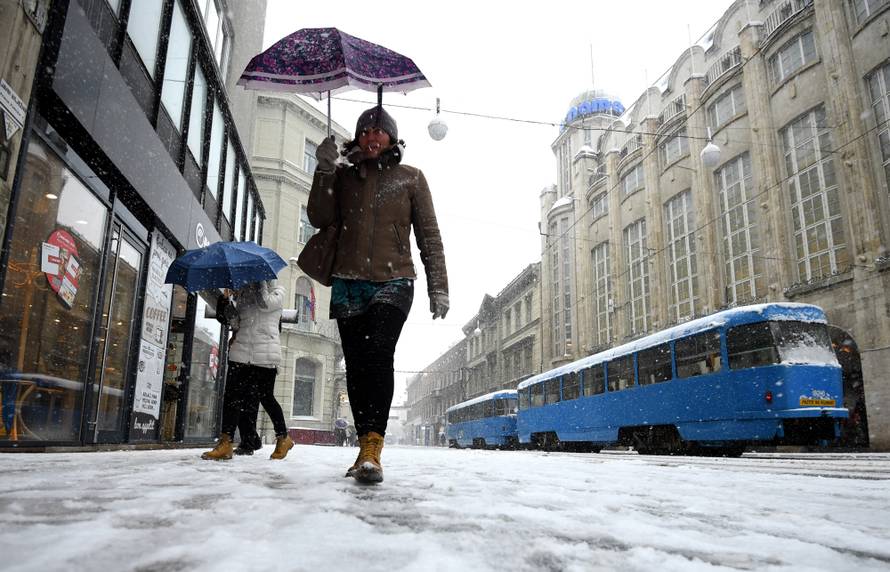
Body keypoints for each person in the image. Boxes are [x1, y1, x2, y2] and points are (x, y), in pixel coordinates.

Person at [309, 105, 449, 483]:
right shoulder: (342, 177)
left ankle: (374, 444)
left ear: (391, 137)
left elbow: (430, 237)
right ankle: (363, 446)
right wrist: (323, 170)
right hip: (348, 280)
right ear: (356, 138)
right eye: (365, 131)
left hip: (394, 280)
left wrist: (439, 286)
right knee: (355, 366)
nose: (372, 137)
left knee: (378, 353)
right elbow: (319, 218)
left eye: (379, 131)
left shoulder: (411, 179)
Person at [201, 280, 294, 461]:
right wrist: (225, 304)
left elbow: (265, 304)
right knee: (231, 398)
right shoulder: (243, 294)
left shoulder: (278, 291)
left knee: (266, 397)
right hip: (241, 353)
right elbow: (236, 323)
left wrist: (259, 284)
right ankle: (225, 442)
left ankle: (283, 437)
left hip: (265, 354)